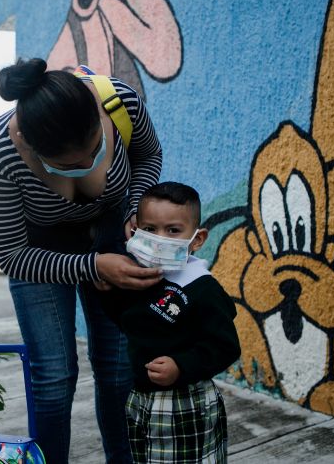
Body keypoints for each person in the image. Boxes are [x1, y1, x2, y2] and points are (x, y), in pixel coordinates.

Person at [0, 58, 165, 463]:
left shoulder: (120, 104)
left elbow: (148, 158)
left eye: (96, 151)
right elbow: (11, 255)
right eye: (68, 165)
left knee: (118, 371)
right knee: (55, 379)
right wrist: (92, 266)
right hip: (37, 252)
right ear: (27, 142)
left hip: (114, 233)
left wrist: (135, 211)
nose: (87, 167)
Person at [98, 181, 241, 463]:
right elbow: (131, 322)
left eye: (173, 230)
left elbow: (225, 346)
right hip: (141, 399)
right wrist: (109, 294)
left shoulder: (202, 288)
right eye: (150, 229)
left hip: (185, 401)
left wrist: (181, 366)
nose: (159, 238)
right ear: (136, 230)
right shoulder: (144, 273)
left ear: (197, 239)